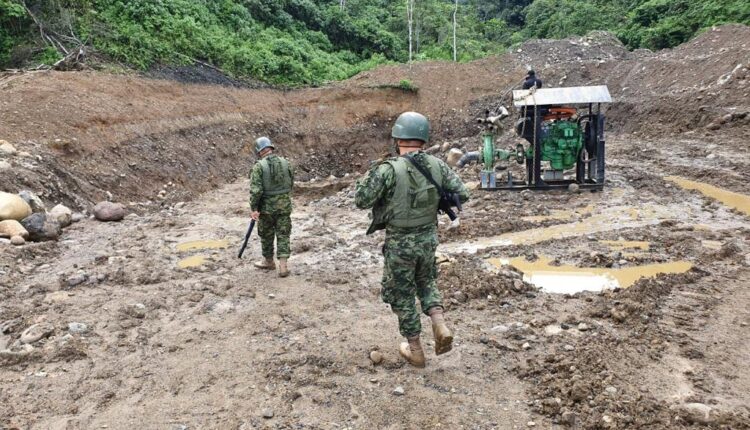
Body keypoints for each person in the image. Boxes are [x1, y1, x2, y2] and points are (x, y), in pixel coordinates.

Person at [354, 112, 470, 368]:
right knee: (426, 281)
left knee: (402, 294)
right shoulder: (437, 165)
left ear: (398, 138)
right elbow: (462, 192)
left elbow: (361, 199)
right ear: (423, 138)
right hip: (428, 239)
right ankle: (439, 323)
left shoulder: (388, 169)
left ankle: (416, 350)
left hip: (400, 244)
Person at [249, 137, 294, 278]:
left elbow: (256, 190)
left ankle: (268, 261)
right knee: (283, 234)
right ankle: (283, 266)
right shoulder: (286, 163)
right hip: (284, 205)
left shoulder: (258, 167)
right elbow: (291, 183)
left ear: (259, 151)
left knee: (266, 234)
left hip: (266, 208)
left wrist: (254, 208)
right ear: (270, 148)